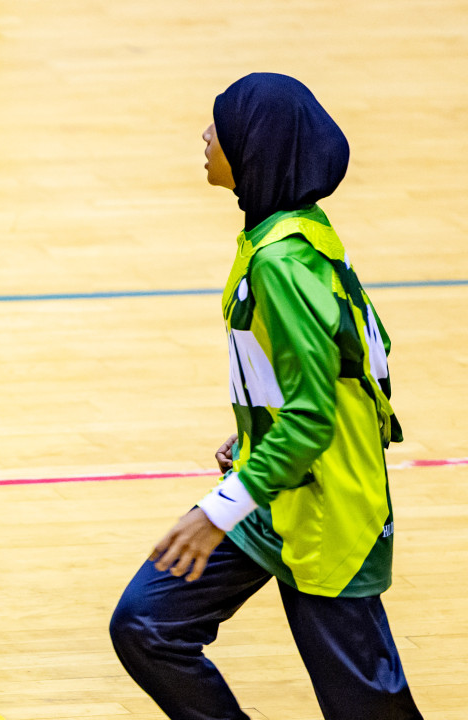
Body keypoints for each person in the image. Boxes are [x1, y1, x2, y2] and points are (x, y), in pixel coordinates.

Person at [109, 73, 421, 719]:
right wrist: (256, 429)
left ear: (254, 148)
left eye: (217, 127)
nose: (204, 136)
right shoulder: (292, 233)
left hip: (327, 507)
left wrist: (215, 511)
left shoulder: (284, 264)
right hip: (273, 486)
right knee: (148, 624)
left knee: (367, 707)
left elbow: (313, 417)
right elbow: (345, 367)